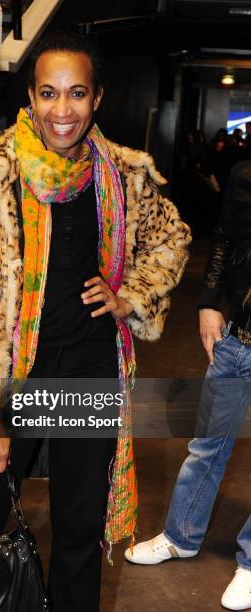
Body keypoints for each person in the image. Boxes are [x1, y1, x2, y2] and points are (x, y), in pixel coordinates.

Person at [0, 32, 191, 611]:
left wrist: (129, 295)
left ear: (97, 99)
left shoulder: (120, 173)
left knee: (77, 530)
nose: (61, 110)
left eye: (76, 94)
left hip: (87, 372)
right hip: (13, 377)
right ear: (30, 97)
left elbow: (172, 238)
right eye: (48, 93)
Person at [125, 160, 251, 611]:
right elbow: (226, 239)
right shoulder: (244, 173)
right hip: (238, 337)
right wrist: (207, 302)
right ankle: (181, 537)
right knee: (207, 445)